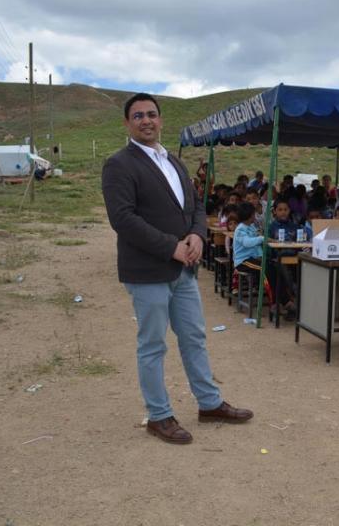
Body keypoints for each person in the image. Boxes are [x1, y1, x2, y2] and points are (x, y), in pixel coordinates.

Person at [102, 92, 253, 445]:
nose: (146, 121)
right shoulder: (119, 164)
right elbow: (122, 219)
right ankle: (159, 415)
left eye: (151, 114)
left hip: (183, 269)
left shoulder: (174, 162)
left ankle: (209, 403)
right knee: (153, 345)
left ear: (161, 119)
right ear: (127, 124)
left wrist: (197, 236)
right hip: (147, 270)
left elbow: (196, 205)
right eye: (137, 116)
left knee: (194, 338)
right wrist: (171, 246)